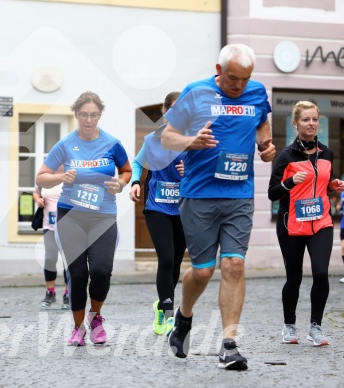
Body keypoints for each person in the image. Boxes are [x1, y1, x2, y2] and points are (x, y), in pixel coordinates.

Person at [161, 43, 276, 370]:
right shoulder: (195, 93)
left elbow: (261, 124)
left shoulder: (256, 93)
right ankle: (183, 319)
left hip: (239, 193)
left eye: (245, 78)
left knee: (234, 266)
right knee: (203, 270)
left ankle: (229, 344)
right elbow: (166, 137)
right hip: (199, 194)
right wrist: (190, 142)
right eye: (233, 78)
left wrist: (266, 146)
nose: (239, 85)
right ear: (218, 69)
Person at [35, 91, 131, 346]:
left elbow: (126, 170)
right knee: (77, 274)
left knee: (101, 271)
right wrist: (60, 177)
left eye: (94, 115)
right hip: (71, 215)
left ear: (100, 115)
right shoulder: (65, 144)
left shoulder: (112, 143)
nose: (89, 120)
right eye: (84, 114)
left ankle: (95, 316)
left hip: (103, 217)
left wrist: (120, 184)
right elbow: (41, 177)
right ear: (76, 114)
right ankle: (77, 328)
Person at [268, 101, 344, 347]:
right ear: (295, 124)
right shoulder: (285, 156)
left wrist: (332, 186)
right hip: (292, 224)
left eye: (314, 119)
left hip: (320, 221)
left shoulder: (327, 153)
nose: (311, 124)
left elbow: (323, 182)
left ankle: (315, 327)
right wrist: (290, 182)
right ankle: (289, 325)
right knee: (294, 277)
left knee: (321, 273)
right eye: (305, 120)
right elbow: (272, 193)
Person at [129, 91, 186, 336]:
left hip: (184, 208)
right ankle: (167, 313)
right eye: (173, 109)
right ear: (165, 112)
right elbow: (138, 163)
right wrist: (135, 182)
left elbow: (207, 170)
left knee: (175, 262)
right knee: (166, 258)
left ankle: (163, 301)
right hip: (157, 206)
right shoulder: (152, 139)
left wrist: (190, 171)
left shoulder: (193, 139)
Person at [33, 179, 69, 309]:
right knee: (49, 258)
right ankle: (50, 292)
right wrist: (38, 200)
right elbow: (36, 193)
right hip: (49, 226)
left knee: (67, 261)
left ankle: (68, 294)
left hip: (67, 227)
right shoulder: (44, 177)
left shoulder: (69, 176)